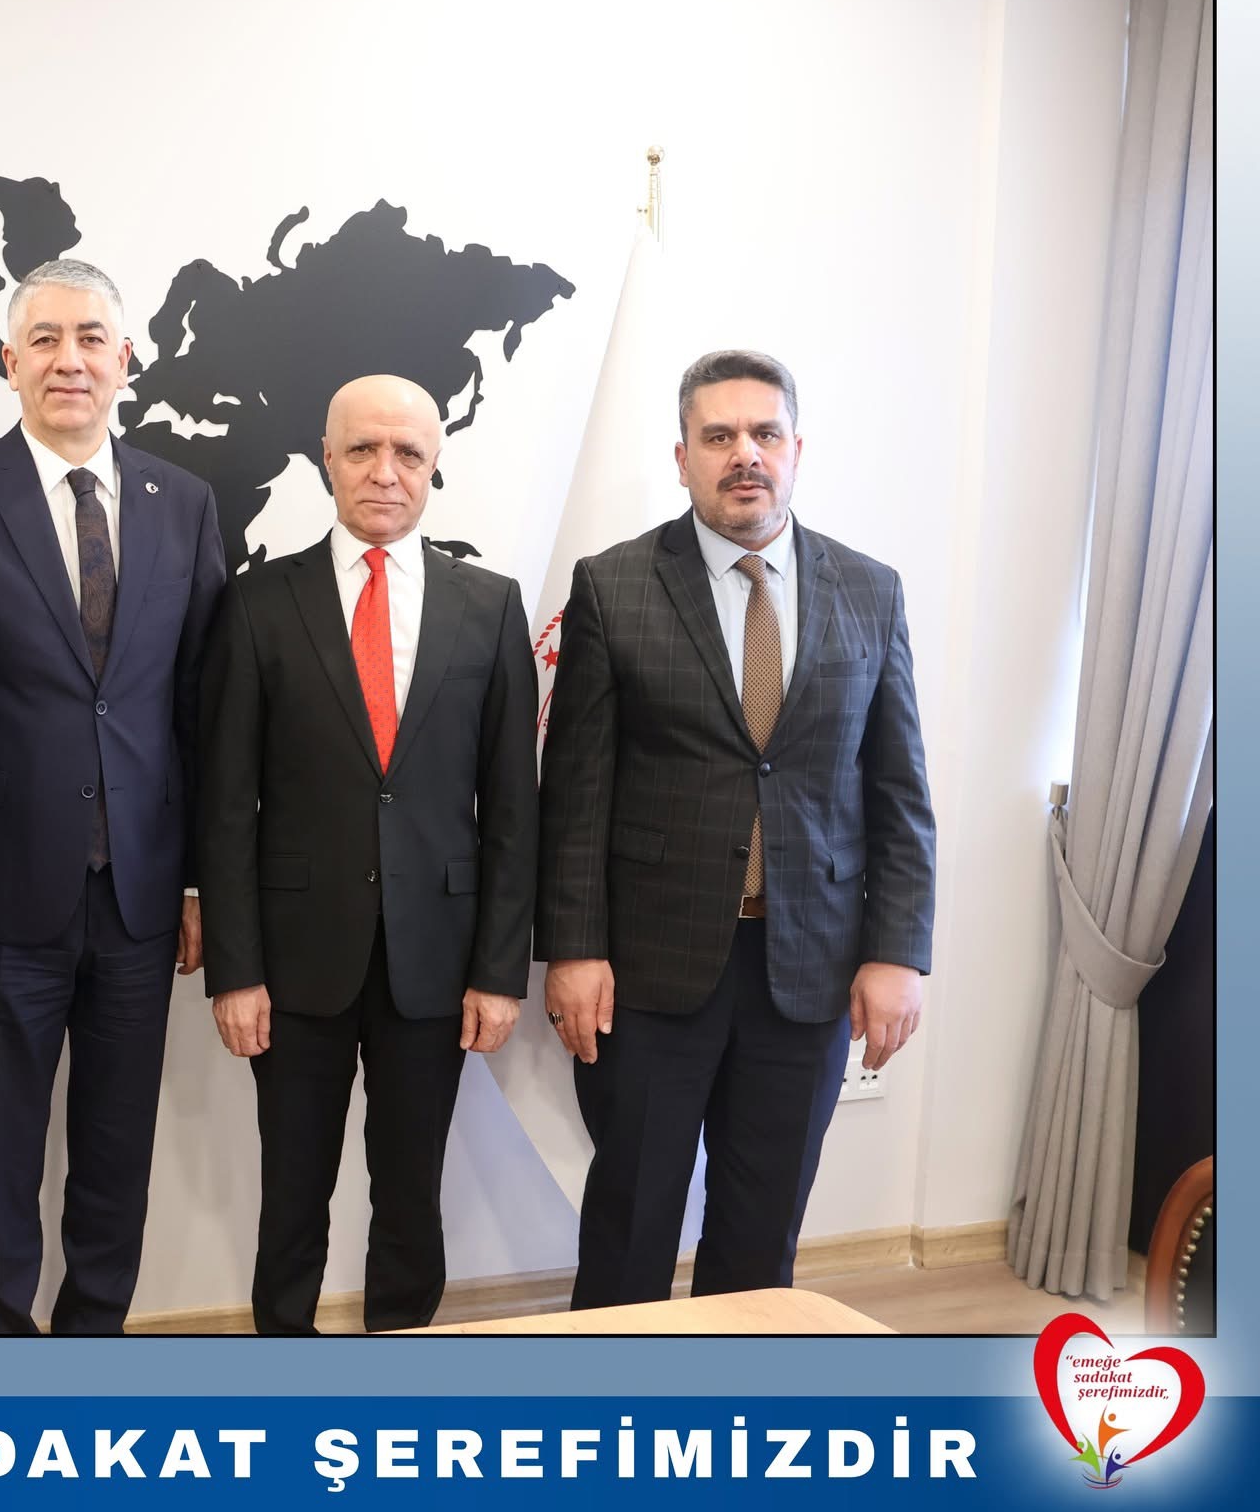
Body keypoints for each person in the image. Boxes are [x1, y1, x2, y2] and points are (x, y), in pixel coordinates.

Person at [537, 348, 935, 1307]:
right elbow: (577, 793)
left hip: (808, 971)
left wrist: (897, 952)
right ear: (683, 458)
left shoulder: (871, 589)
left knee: (762, 1239)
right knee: (631, 1223)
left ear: (797, 450)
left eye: (765, 433)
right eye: (719, 436)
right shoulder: (614, 585)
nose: (744, 454)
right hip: (650, 974)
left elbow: (898, 790)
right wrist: (575, 950)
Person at [0, 258, 225, 1335]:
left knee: (116, 1154)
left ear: (126, 359)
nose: (69, 360)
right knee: (4, 1156)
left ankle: (91, 1353)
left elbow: (204, 712)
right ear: (8, 362)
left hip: (139, 899)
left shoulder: (185, 503)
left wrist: (200, 879)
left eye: (89, 339)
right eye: (44, 339)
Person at [198, 374, 537, 1334]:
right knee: (291, 1194)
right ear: (327, 460)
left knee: (411, 1196)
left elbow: (515, 809)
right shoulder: (259, 602)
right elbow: (225, 806)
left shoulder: (489, 605)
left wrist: (499, 972)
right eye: (362, 450)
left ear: (434, 466)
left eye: (408, 454)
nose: (385, 472)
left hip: (437, 964)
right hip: (294, 964)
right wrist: (235, 970)